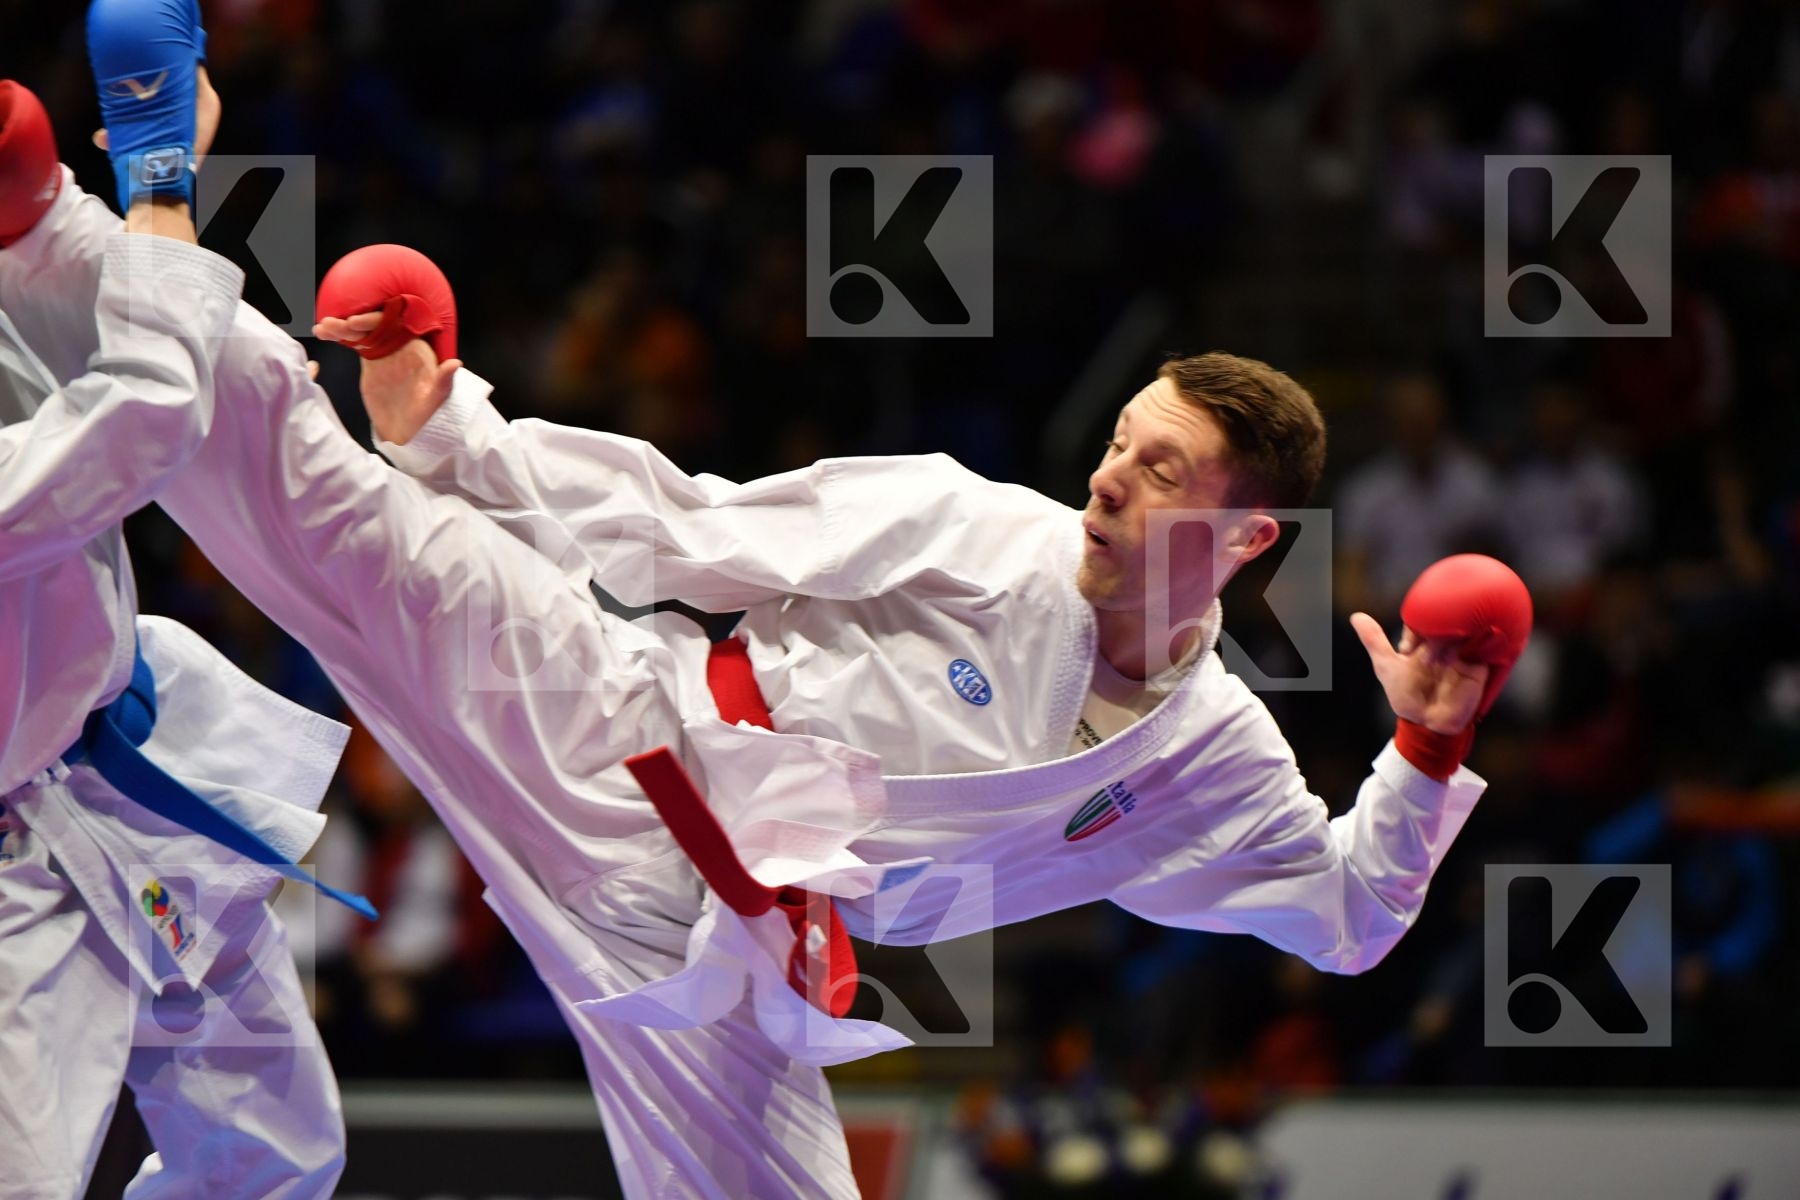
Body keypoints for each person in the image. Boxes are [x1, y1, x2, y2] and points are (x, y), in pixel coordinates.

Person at [12, 91, 1529, 1200]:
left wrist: (1426, 747)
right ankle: (54, 215)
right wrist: (459, 432)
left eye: (1161, 469)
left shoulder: (1211, 763)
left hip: (740, 968)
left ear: (1249, 537)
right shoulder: (975, 522)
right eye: (1122, 440)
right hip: (617, 737)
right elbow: (693, 529)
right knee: (335, 510)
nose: (1110, 476)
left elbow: (1348, 918)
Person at [0, 5, 351, 1192]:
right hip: (9, 882)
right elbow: (144, 409)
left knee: (276, 1158)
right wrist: (157, 169)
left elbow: (78, 274)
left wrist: (238, 346)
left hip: (115, 786)